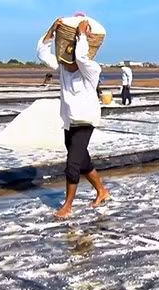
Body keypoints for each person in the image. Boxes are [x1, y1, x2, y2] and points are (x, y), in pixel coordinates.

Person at [37, 18, 110, 218]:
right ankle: (102, 191)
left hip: (85, 121)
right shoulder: (63, 68)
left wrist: (82, 35)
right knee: (83, 161)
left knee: (73, 164)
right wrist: (51, 30)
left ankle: (67, 206)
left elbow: (82, 58)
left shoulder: (91, 70)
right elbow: (42, 53)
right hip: (69, 121)